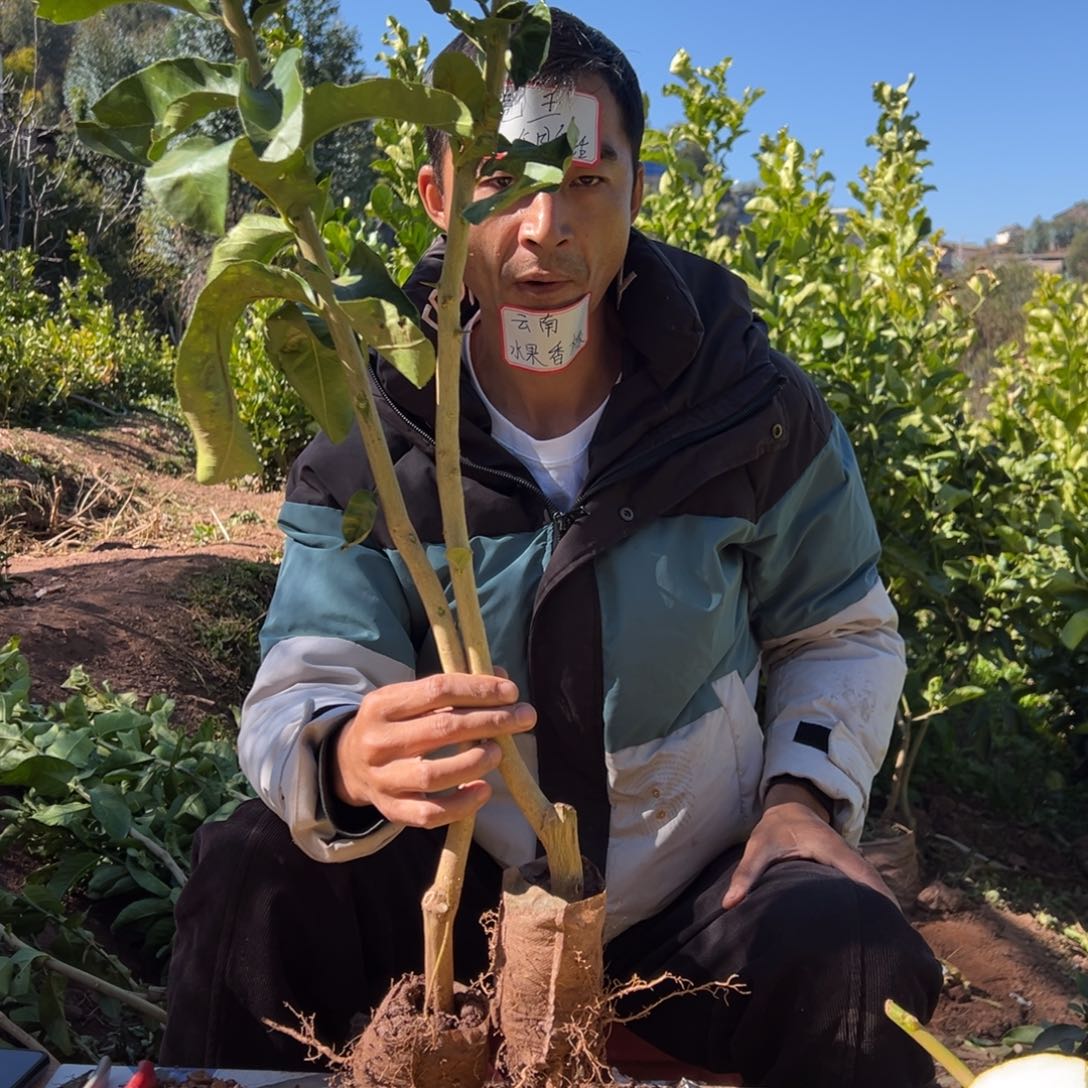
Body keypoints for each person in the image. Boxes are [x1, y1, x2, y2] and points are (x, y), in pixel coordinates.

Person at [160, 11, 943, 1087]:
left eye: (583, 179)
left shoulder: (746, 406)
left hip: (689, 893)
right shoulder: (370, 441)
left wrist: (800, 794)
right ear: (437, 197)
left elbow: (835, 627)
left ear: (632, 193)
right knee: (253, 869)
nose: (542, 228)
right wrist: (345, 754)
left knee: (857, 962)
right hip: (454, 888)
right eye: (499, 177)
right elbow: (312, 663)